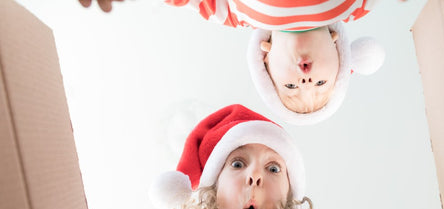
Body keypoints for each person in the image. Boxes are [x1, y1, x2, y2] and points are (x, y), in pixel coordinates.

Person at [79, 0, 386, 125]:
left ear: (265, 58)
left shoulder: (236, 16)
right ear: (339, 52)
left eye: (290, 86)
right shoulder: (354, 6)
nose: (306, 82)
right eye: (321, 84)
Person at [135, 104, 327, 209]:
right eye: (237, 164)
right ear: (214, 188)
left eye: (273, 169)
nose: (255, 175)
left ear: (289, 196)